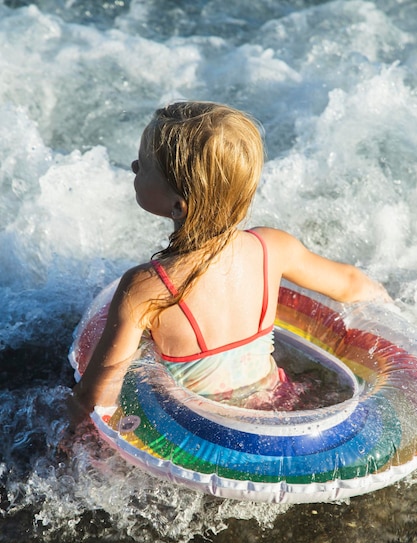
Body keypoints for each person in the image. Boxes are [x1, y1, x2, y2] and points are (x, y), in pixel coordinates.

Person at [67, 101, 389, 431]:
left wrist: (65, 433)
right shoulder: (273, 248)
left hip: (203, 429)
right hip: (280, 400)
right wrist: (391, 308)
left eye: (145, 166)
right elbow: (351, 284)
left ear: (179, 207)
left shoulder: (144, 288)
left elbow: (100, 388)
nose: (134, 166)